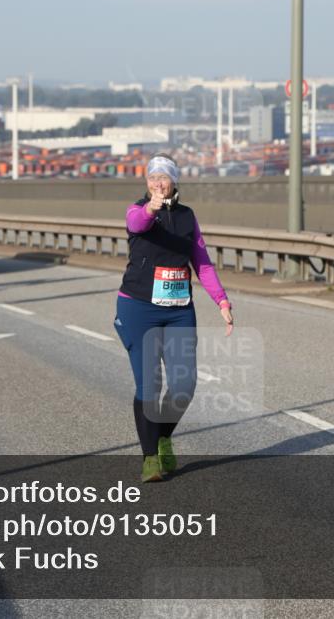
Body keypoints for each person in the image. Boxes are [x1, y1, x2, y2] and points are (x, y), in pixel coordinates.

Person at [113, 153, 234, 482]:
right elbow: (137, 224)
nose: (157, 183)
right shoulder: (137, 210)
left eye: (163, 177)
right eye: (152, 177)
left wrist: (221, 301)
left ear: (174, 181)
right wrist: (151, 208)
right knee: (150, 385)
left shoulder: (186, 216)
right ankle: (150, 458)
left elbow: (202, 262)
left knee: (184, 384)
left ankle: (163, 436)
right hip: (139, 308)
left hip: (179, 310)